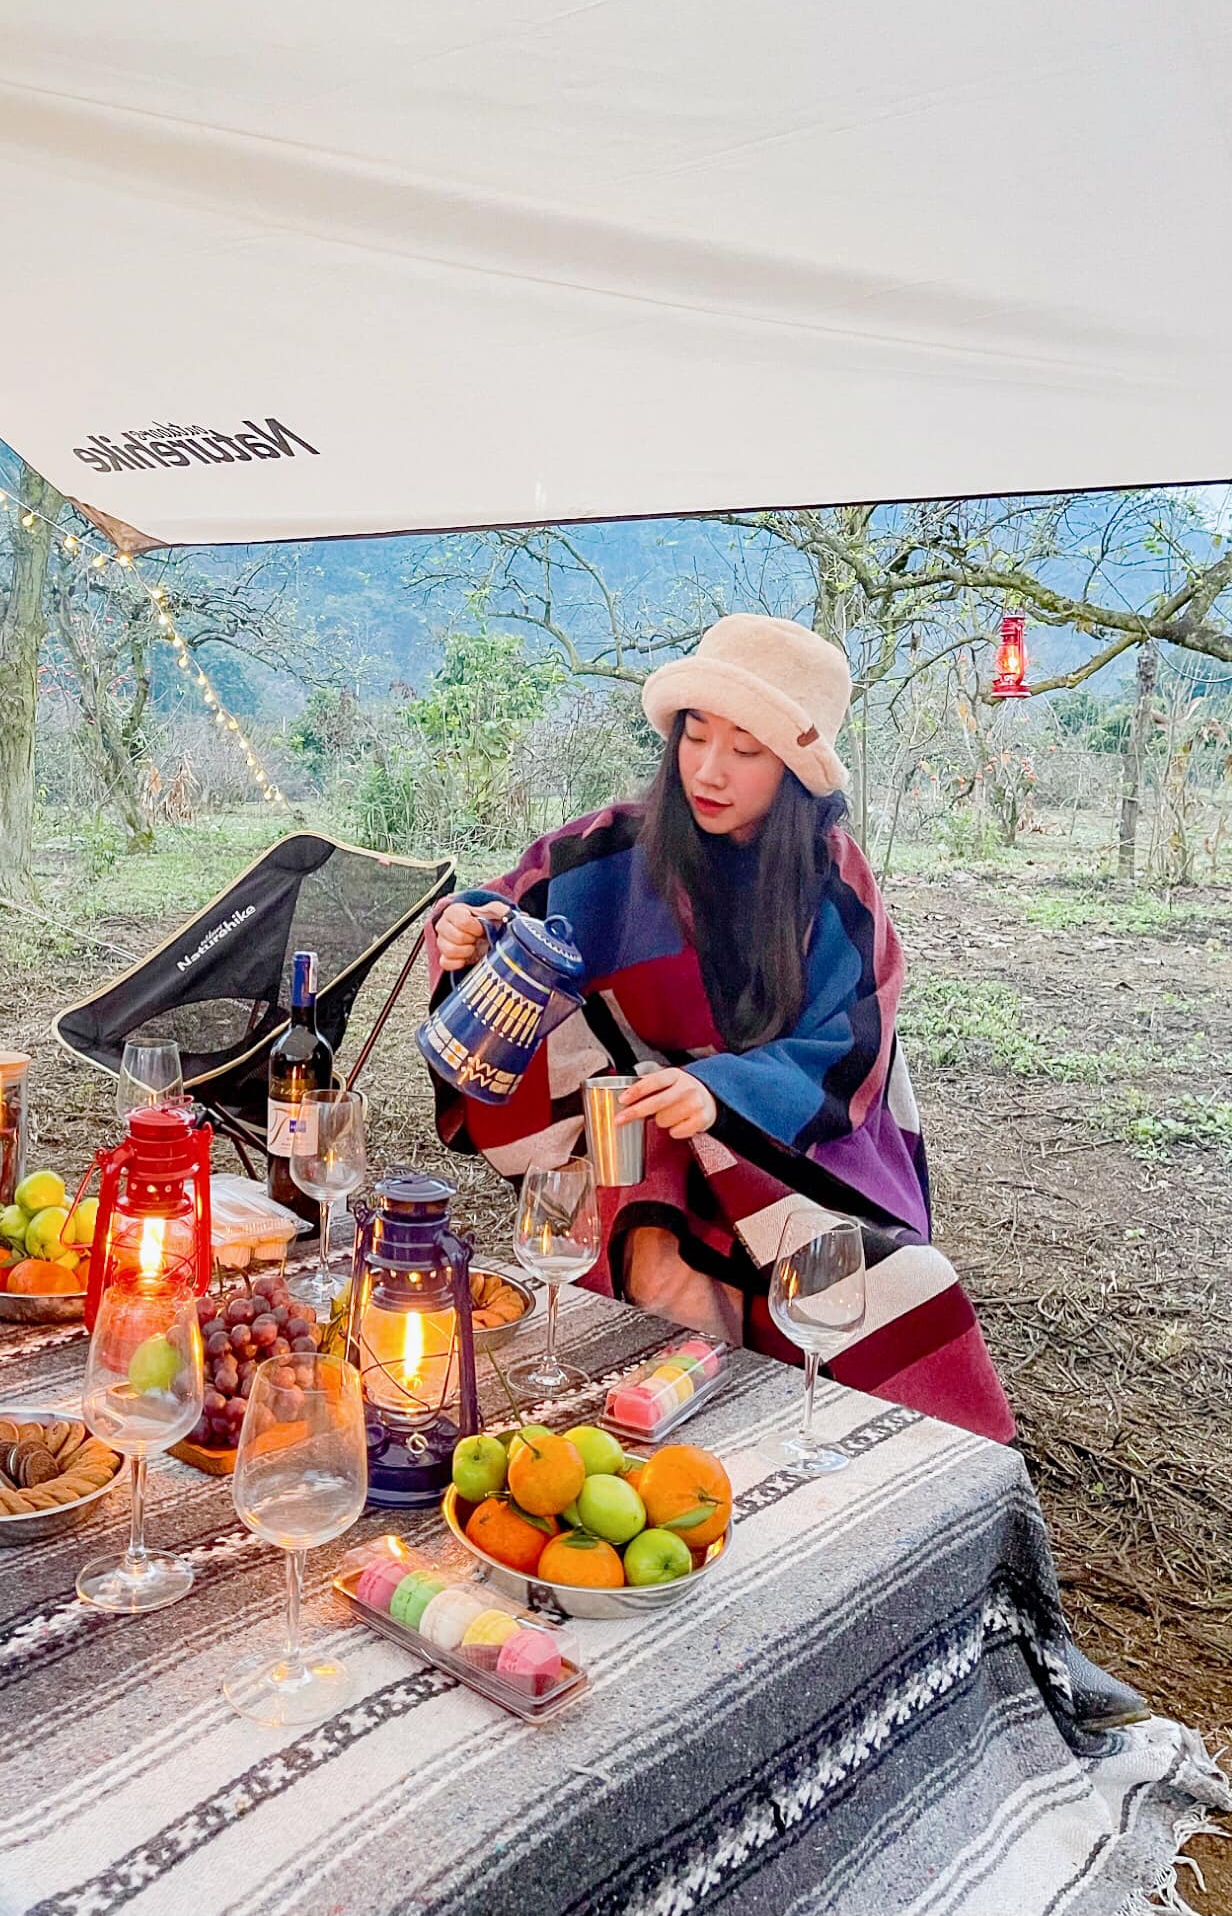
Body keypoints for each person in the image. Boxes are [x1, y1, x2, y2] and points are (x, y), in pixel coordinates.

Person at [426, 613, 1016, 1444]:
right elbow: (514, 907)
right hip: (644, 1127)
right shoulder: (615, 845)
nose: (708, 769)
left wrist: (719, 1091)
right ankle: (677, 1411)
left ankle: (888, 1441)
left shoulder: (834, 878)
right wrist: (469, 926)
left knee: (902, 1282)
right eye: (696, 736)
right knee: (645, 1178)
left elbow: (850, 1043)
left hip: (793, 1140)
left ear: (797, 773)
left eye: (746, 750)